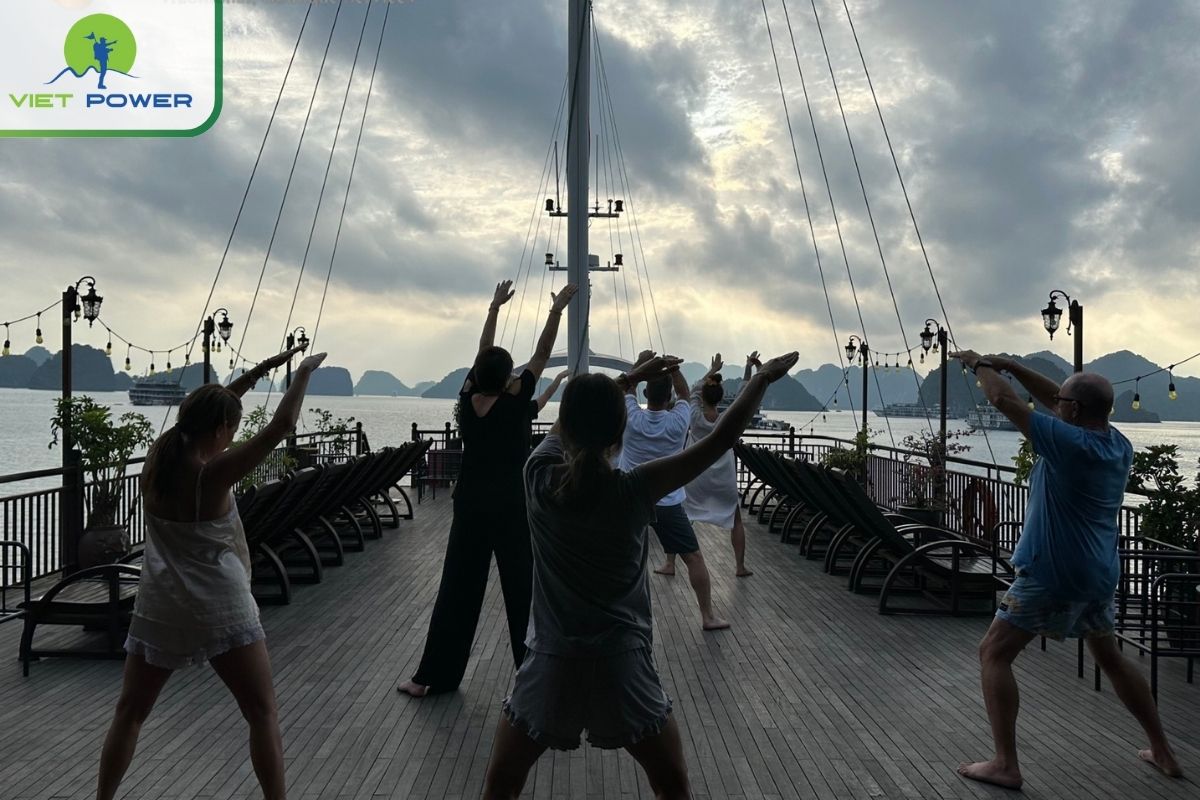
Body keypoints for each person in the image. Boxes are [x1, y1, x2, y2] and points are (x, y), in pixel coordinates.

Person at [481, 351, 800, 799]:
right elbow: (720, 440)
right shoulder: (634, 490)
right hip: (623, 661)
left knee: (501, 785)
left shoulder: (538, 476)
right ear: (620, 432)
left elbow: (567, 426)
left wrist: (629, 379)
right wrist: (762, 377)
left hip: (552, 658)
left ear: (567, 426)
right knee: (672, 785)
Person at [95, 345, 325, 800]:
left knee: (130, 712)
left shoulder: (159, 458)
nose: (232, 437)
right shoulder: (212, 476)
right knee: (261, 713)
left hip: (161, 604)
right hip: (220, 606)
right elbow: (281, 426)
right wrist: (301, 372)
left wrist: (260, 370)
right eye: (231, 429)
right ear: (220, 429)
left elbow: (208, 409)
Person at [951, 350, 1183, 790]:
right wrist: (1014, 367)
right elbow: (1058, 399)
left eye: (1063, 403)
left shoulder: (1069, 445)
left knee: (993, 653)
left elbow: (1002, 401)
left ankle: (1005, 763)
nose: (1055, 404)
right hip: (1100, 573)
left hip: (1052, 573)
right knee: (1111, 658)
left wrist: (981, 365)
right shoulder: (1117, 444)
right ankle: (1163, 750)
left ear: (1073, 411)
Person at [398, 281, 578, 698]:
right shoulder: (516, 405)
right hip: (513, 507)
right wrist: (556, 311)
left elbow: (483, 353)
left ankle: (432, 678)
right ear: (509, 378)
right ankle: (536, 680)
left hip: (470, 507)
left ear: (477, 376)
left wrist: (494, 308)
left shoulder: (467, 402)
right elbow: (542, 354)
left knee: (457, 590)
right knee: (523, 592)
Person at [619, 350, 728, 630]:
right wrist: (674, 368)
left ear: (645, 393)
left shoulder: (631, 417)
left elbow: (626, 386)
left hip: (630, 498)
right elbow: (685, 394)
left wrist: (641, 364)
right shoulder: (679, 420)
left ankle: (616, 618)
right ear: (668, 396)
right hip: (667, 502)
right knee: (693, 557)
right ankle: (708, 616)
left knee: (618, 559)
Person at [660, 351, 760, 578]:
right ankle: (740, 566)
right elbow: (744, 396)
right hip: (723, 475)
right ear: (720, 398)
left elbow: (693, 390)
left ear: (703, 396)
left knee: (680, 515)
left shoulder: (695, 417)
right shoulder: (726, 420)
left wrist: (713, 370)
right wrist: (749, 368)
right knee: (735, 518)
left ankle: (670, 563)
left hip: (695, 474)